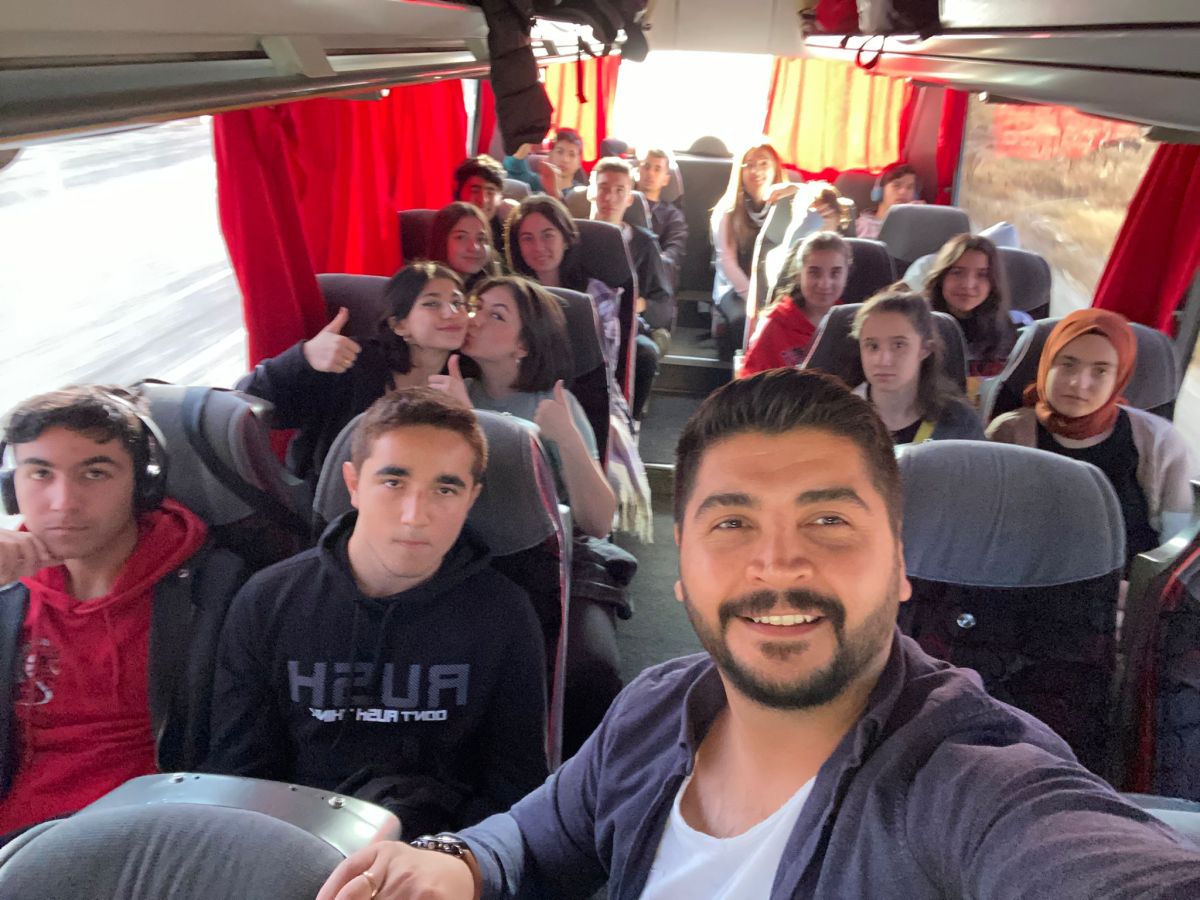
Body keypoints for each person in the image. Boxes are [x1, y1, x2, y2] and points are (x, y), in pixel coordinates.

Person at [318, 367, 1200, 900]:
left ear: (900, 567)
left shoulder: (967, 779)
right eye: (732, 524)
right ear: (682, 574)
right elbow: (540, 832)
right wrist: (456, 863)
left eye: (828, 522)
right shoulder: (656, 707)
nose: (778, 565)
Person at [207, 388, 548, 838]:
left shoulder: (504, 614)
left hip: (440, 850)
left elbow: (515, 787)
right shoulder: (267, 602)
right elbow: (240, 775)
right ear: (353, 485)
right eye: (393, 483)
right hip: (297, 840)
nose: (414, 515)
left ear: (471, 499)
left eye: (445, 489)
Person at [0, 386, 250, 837]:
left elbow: (241, 755)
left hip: (146, 839)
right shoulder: (9, 591)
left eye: (94, 473)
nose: (63, 502)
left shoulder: (216, 591)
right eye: (40, 473)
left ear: (144, 483)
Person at [987, 309, 1196, 562]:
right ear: (1047, 365)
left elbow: (1174, 545)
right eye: (1067, 364)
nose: (1079, 383)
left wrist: (1139, 584)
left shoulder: (1160, 442)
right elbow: (987, 529)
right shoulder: (1007, 433)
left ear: (1119, 377)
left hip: (1127, 582)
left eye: (1100, 371)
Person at [240, 262, 469, 483]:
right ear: (399, 325)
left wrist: (468, 419)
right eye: (432, 303)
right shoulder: (350, 361)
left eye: (458, 302)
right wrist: (304, 357)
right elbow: (248, 399)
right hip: (327, 500)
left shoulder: (468, 378)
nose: (451, 313)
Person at [434, 276, 616, 540]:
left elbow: (599, 524)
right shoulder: (456, 391)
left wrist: (568, 438)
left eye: (496, 316)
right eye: (476, 307)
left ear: (523, 346)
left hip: (531, 545)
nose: (474, 320)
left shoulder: (554, 404)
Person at [589, 156, 673, 420]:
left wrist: (636, 304)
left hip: (626, 324)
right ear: (592, 192)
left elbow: (663, 302)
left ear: (629, 199)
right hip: (585, 322)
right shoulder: (573, 235)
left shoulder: (644, 243)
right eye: (603, 188)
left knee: (644, 355)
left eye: (619, 190)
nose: (609, 197)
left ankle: (628, 421)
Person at [851, 290, 985, 443]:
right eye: (872, 346)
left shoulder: (960, 423)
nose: (883, 360)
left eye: (898, 345)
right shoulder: (837, 418)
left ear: (925, 349)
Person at [710, 142, 796, 360]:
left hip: (778, 288)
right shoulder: (727, 211)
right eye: (749, 165)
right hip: (737, 289)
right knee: (745, 321)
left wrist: (795, 190)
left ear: (775, 169)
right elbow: (728, 264)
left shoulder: (791, 207)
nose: (756, 171)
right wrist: (757, 302)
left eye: (763, 164)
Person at [741, 231, 850, 376]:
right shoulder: (774, 327)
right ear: (799, 275)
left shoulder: (851, 324)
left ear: (846, 275)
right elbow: (750, 383)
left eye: (835, 273)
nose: (825, 283)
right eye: (814, 273)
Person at [924, 233, 1018, 386]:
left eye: (982, 275)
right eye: (957, 272)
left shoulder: (1004, 329)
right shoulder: (917, 321)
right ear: (942, 277)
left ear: (992, 282)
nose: (968, 284)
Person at [636, 148, 689, 292]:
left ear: (666, 179)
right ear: (638, 170)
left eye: (657, 169)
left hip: (653, 280)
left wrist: (651, 265)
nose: (650, 173)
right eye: (646, 167)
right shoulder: (620, 204)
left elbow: (674, 252)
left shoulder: (672, 216)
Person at [428, 202, 501, 292]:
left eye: (481, 239)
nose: (474, 248)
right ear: (440, 241)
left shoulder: (495, 291)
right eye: (460, 237)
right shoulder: (423, 291)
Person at [452, 155, 517, 254]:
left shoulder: (509, 234)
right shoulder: (446, 228)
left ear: (500, 197)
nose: (482, 200)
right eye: (475, 190)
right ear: (458, 193)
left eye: (490, 192)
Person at [503, 129, 586, 199]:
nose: (565, 159)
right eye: (560, 152)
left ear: (579, 162)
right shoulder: (536, 182)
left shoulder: (581, 195)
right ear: (550, 155)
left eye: (572, 155)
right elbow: (514, 168)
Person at [854, 162, 920, 240]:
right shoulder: (861, 227)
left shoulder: (915, 226)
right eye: (896, 185)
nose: (903, 192)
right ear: (880, 191)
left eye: (909, 187)